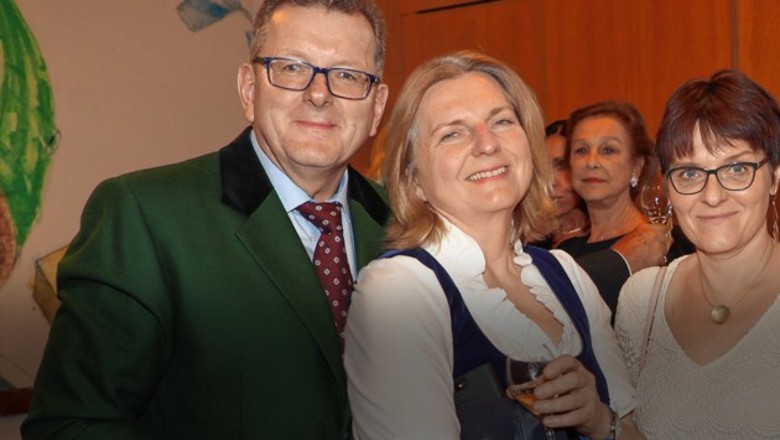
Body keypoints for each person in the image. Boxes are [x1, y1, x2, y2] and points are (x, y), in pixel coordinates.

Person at [22, 1, 390, 438]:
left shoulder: (409, 226)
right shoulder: (144, 216)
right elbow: (68, 427)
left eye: (347, 75)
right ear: (249, 89)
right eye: (292, 68)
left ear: (377, 106)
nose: (319, 93)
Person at [344, 50, 640, 439]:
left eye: (501, 121)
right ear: (414, 180)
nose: (487, 144)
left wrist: (600, 420)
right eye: (452, 133)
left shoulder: (566, 274)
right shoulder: (398, 290)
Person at [615, 70, 780, 438]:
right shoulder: (641, 301)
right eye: (689, 173)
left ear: (775, 176)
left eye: (736, 169)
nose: (712, 195)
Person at [557, 101, 683, 315]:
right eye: (581, 150)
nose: (591, 162)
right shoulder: (563, 254)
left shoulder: (666, 245)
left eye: (608, 150)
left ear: (637, 167)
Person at [540, 119, 589, 248]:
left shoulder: (608, 237)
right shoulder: (522, 242)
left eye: (562, 166)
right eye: (541, 167)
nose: (549, 181)